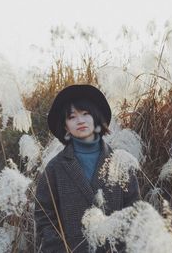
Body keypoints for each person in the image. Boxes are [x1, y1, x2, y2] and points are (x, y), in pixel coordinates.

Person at [34, 84, 140, 253]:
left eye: (85, 114)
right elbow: (44, 214)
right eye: (72, 117)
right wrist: (58, 248)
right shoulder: (55, 168)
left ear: (96, 118)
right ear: (65, 126)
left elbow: (134, 210)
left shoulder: (120, 163)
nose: (80, 120)